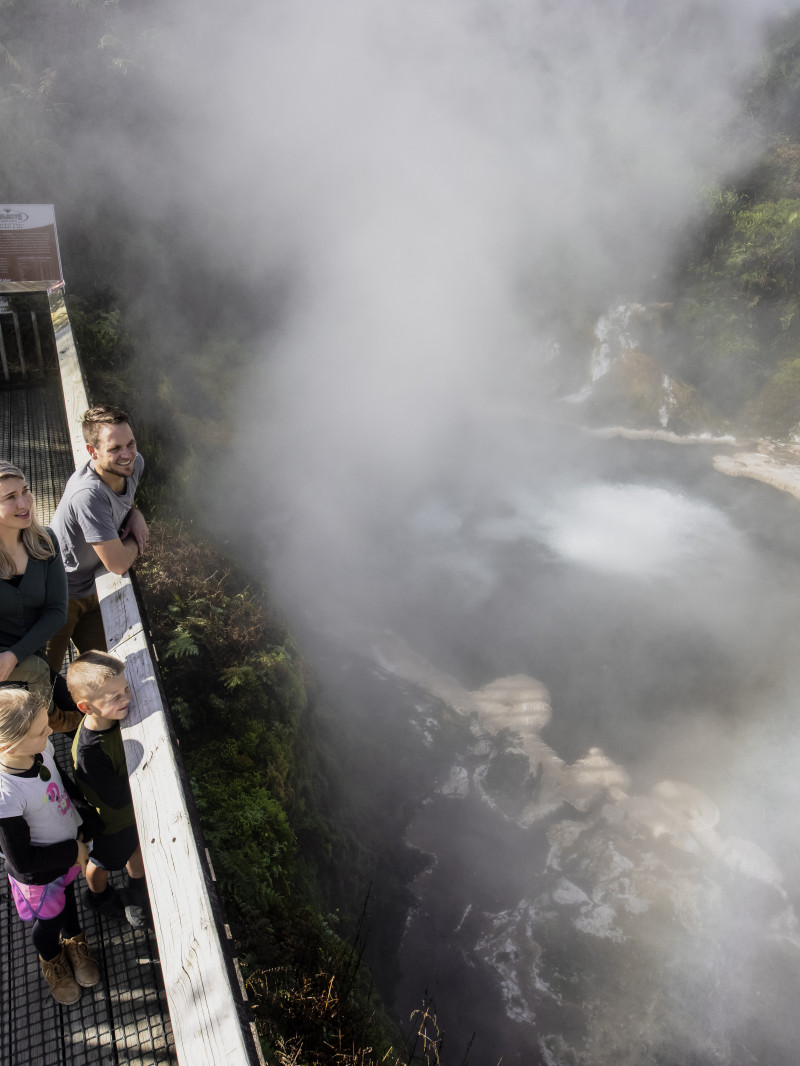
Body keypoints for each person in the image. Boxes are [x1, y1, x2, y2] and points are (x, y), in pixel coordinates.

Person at [0, 686, 100, 1005]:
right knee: (49, 921)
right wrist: (74, 852)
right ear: (7, 744)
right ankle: (53, 959)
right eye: (42, 730)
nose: (51, 730)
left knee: (68, 900)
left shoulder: (40, 750)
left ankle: (74, 942)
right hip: (41, 876)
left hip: (67, 854)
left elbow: (57, 781)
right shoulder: (6, 796)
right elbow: (21, 861)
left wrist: (83, 811)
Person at [47, 404, 149, 673]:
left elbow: (122, 504)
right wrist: (137, 542)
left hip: (91, 587)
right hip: (54, 595)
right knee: (42, 685)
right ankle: (66, 717)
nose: (126, 455)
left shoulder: (134, 465)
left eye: (130, 444)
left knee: (108, 673)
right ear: (92, 452)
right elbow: (116, 563)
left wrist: (135, 514)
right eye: (114, 449)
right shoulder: (87, 494)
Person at [67, 650, 147, 928]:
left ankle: (136, 889)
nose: (127, 698)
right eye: (116, 697)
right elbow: (114, 799)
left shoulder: (110, 718)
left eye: (126, 688)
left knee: (136, 847)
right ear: (86, 707)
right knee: (103, 861)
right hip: (111, 823)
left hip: (130, 816)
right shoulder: (90, 753)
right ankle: (97, 895)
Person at [0, 460, 81, 732]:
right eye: (10, 497)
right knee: (31, 737)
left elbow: (57, 610)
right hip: (4, 674)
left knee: (78, 708)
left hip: (28, 661)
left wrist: (14, 654)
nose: (24, 503)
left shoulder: (45, 541)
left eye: (25, 490)